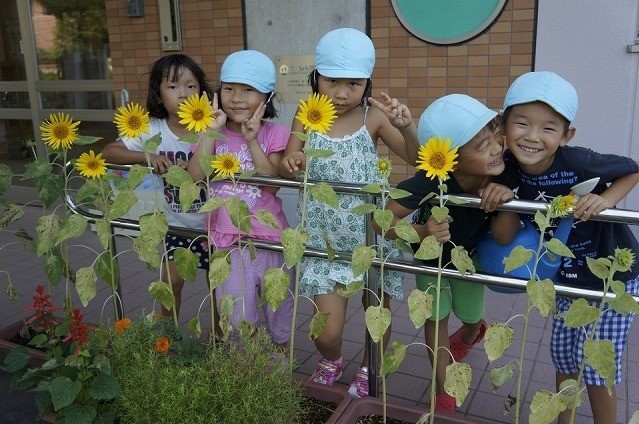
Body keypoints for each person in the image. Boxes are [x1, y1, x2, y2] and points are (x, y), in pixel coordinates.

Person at [278, 28, 420, 399]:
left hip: (372, 239)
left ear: (368, 83)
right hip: (324, 243)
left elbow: (415, 159)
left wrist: (407, 127)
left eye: (353, 84)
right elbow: (286, 163)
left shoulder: (373, 117)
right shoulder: (307, 114)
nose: (341, 93)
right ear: (316, 77)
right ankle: (332, 359)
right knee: (325, 330)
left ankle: (372, 366)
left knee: (377, 315)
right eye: (331, 81)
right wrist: (293, 160)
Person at [501, 71, 639, 424]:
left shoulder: (580, 161)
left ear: (566, 136)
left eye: (548, 128)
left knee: (595, 362)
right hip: (566, 274)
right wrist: (500, 195)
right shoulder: (510, 167)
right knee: (563, 355)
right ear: (504, 125)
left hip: (613, 274)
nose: (532, 136)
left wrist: (604, 199)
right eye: (521, 123)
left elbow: (633, 170)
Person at [380, 94, 519, 413]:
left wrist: (506, 197)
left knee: (471, 314)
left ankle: (473, 331)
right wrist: (423, 232)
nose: (497, 148)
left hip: (469, 257)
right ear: (451, 157)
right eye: (483, 144)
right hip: (429, 261)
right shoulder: (432, 178)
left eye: (496, 136)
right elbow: (382, 220)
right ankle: (442, 388)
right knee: (436, 319)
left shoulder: (504, 172)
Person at [187, 50, 293, 347]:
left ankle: (278, 370)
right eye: (229, 88)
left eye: (248, 90)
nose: (236, 97)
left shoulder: (275, 133)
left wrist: (251, 139)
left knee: (279, 313)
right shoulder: (211, 132)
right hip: (227, 241)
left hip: (270, 239)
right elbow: (196, 177)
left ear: (267, 97)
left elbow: (271, 184)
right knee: (236, 316)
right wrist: (210, 132)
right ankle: (249, 371)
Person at [102, 54, 216, 322]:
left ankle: (220, 342)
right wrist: (147, 156)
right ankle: (167, 339)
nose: (184, 94)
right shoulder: (152, 130)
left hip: (214, 226)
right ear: (158, 92)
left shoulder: (211, 126)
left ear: (202, 90)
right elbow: (109, 151)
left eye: (191, 86)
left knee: (219, 289)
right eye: (173, 86)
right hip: (176, 224)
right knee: (170, 286)